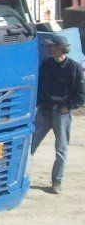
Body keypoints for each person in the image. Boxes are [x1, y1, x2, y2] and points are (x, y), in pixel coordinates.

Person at [32, 34, 85, 193]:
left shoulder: (74, 68)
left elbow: (81, 96)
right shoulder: (45, 64)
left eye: (51, 46)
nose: (48, 48)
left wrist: (67, 107)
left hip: (62, 114)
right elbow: (38, 87)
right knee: (29, 147)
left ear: (60, 48)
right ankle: (21, 178)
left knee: (61, 150)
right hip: (44, 112)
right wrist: (37, 105)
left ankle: (57, 182)